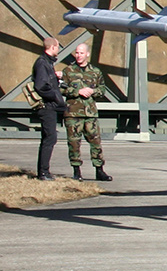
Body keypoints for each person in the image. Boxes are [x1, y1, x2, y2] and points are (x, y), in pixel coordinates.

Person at [61, 42, 109, 181]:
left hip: (90, 113)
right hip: (73, 113)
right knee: (74, 143)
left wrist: (93, 91)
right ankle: (76, 171)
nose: (78, 55)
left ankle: (99, 169)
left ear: (87, 54)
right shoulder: (68, 71)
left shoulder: (95, 71)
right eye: (77, 53)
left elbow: (102, 90)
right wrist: (77, 91)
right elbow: (61, 88)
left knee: (96, 142)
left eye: (81, 53)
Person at [31, 37, 66, 180]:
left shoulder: (47, 63)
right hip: (47, 107)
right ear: (52, 47)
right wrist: (55, 96)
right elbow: (41, 86)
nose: (58, 50)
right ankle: (43, 172)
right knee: (50, 138)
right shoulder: (42, 63)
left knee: (49, 138)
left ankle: (44, 171)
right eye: (57, 47)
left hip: (50, 105)